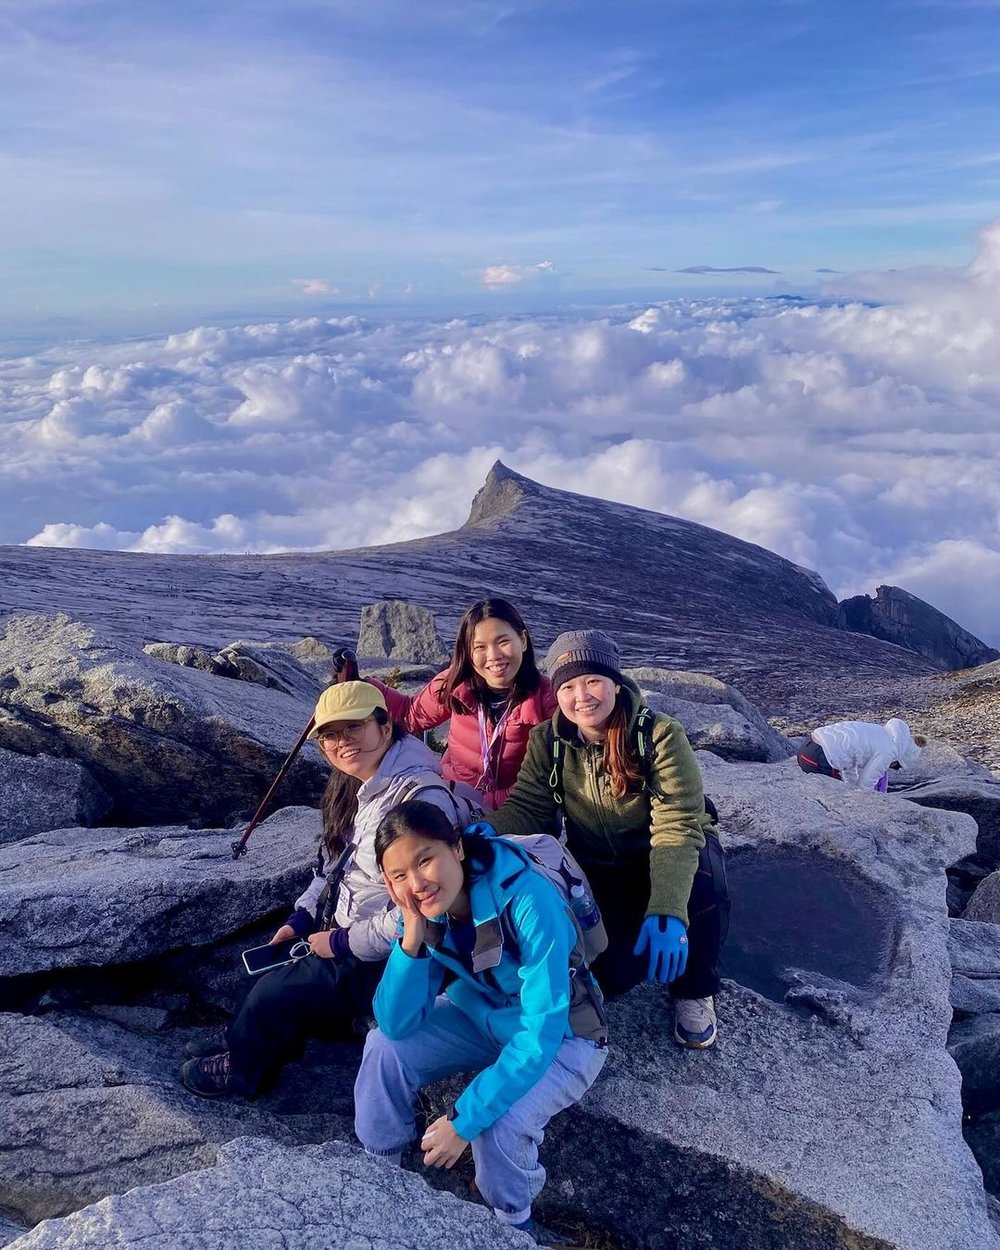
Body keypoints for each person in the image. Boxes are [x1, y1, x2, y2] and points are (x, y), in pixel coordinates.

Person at [180, 682, 481, 1098]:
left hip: (396, 950)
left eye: (354, 729)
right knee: (263, 972)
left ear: (385, 726)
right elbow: (333, 864)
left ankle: (245, 1072)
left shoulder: (415, 798)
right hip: (348, 924)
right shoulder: (366, 784)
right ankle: (250, 1041)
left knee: (271, 994)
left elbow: (422, 907)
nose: (343, 743)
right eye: (330, 735)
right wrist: (301, 917)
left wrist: (340, 942)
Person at [354, 800, 608, 1246]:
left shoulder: (529, 899)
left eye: (425, 859)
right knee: (382, 1048)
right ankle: (379, 1172)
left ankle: (513, 1224)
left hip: (565, 1035)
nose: (417, 883)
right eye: (398, 876)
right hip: (485, 1013)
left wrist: (463, 1121)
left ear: (457, 847)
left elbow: (541, 1030)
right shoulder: (426, 909)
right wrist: (411, 938)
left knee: (499, 1123)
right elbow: (395, 1023)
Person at [489, 629, 729, 1049]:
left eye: (592, 681)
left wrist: (668, 909)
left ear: (615, 683)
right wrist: (480, 831)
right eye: (567, 685)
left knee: (705, 880)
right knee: (613, 976)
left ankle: (694, 989)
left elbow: (677, 827)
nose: (581, 696)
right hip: (600, 867)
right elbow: (529, 810)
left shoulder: (658, 735)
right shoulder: (548, 741)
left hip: (664, 852)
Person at [359, 598, 555, 810]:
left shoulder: (548, 697)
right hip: (455, 798)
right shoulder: (456, 684)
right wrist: (363, 688)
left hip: (519, 809)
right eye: (480, 647)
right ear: (468, 652)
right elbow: (410, 714)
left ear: (523, 640)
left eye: (503, 642)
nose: (494, 656)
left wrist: (491, 803)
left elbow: (549, 774)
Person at [797, 718, 926, 792]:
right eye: (896, 766)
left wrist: (851, 787)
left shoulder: (879, 732)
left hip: (806, 750)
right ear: (899, 758)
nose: (890, 767)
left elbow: (849, 762)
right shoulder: (889, 751)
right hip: (821, 760)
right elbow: (866, 784)